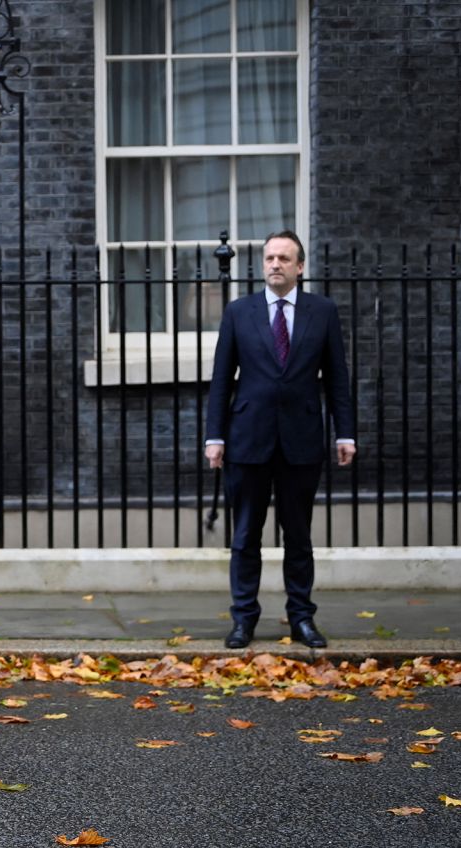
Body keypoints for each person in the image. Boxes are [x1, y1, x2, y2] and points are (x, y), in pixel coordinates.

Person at [205, 230, 356, 650]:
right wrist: (214, 436)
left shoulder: (322, 312)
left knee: (299, 537)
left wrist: (345, 432)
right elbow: (221, 379)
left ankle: (301, 619)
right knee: (245, 536)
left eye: (284, 258)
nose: (275, 264)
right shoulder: (239, 312)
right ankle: (243, 620)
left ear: (300, 267)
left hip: (301, 439)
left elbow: (337, 377)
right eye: (270, 257)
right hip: (247, 439)